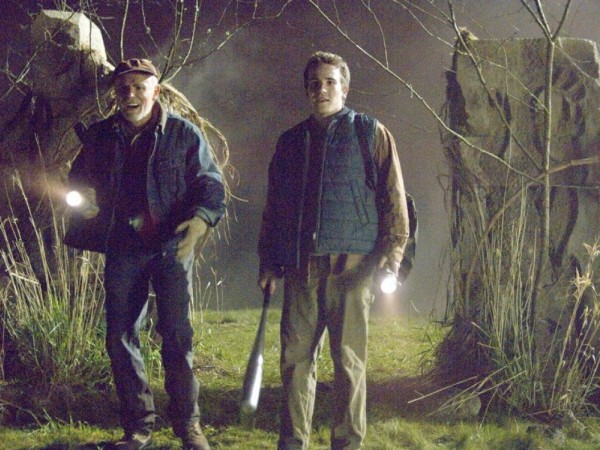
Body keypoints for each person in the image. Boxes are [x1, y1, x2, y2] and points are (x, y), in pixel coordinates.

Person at [65, 58, 225, 450]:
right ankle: (137, 426)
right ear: (116, 94)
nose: (131, 94)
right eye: (123, 88)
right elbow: (78, 180)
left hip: (170, 247)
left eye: (139, 86)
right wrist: (84, 199)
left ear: (156, 90)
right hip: (123, 247)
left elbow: (209, 182)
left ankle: (188, 424)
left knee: (176, 335)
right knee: (119, 335)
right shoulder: (100, 136)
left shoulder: (183, 133)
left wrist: (201, 219)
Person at [258, 51, 410, 450]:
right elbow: (275, 207)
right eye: (314, 83)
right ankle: (293, 442)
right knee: (295, 362)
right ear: (306, 90)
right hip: (301, 269)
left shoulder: (369, 133)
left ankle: (347, 443)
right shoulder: (291, 142)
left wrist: (392, 256)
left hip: (352, 270)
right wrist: (268, 261)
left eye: (329, 82)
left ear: (345, 88)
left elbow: (394, 200)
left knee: (348, 362)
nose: (321, 89)